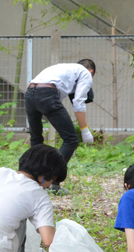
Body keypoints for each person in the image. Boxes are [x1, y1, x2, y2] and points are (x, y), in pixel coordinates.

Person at [24, 59, 96, 194]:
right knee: (71, 139)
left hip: (30, 92)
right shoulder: (85, 73)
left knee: (36, 139)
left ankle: (33, 181)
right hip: (46, 93)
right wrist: (85, 130)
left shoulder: (64, 69)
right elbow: (78, 103)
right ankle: (53, 183)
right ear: (90, 72)